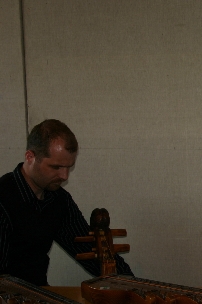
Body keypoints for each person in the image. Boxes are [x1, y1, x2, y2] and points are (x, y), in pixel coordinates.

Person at [0, 119, 133, 286]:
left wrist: (134, 286)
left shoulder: (58, 200)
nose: (64, 176)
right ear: (30, 157)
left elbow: (88, 249)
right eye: (56, 167)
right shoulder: (3, 199)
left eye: (69, 167)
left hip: (39, 293)